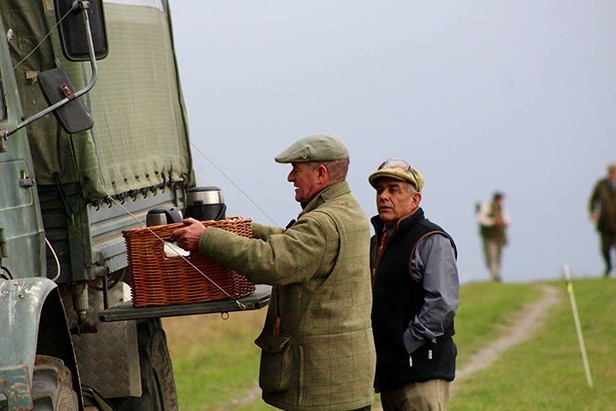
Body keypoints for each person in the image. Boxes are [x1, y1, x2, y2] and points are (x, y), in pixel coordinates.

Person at [172, 133, 376, 411]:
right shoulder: (345, 210)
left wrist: (205, 239)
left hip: (322, 387)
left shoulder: (322, 223)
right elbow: (293, 241)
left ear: (321, 173)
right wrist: (240, 228)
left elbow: (272, 262)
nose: (291, 178)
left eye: (296, 170)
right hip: (340, 382)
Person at [368, 158, 459, 411]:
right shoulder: (376, 242)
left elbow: (442, 305)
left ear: (415, 199)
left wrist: (404, 344)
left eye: (393, 189)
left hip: (422, 374)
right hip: (391, 373)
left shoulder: (432, 240)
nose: (383, 196)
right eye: (379, 190)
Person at [589, 163, 616, 278]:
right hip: (605, 223)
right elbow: (593, 200)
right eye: (611, 173)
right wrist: (593, 214)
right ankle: (609, 266)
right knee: (604, 249)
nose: (613, 175)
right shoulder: (601, 185)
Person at [477, 192, 510, 282]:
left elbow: (507, 220)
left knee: (498, 256)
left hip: (499, 237)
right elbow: (481, 220)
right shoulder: (487, 208)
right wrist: (493, 222)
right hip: (489, 237)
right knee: (492, 256)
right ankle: (494, 275)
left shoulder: (501, 209)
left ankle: (496, 274)